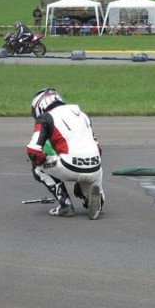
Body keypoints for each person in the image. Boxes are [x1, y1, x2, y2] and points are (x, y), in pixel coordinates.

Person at [25, 88, 104, 219]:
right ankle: (92, 199)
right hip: (95, 168)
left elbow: (33, 150)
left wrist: (41, 159)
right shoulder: (83, 115)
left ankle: (65, 205)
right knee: (90, 178)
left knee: (37, 168)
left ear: (40, 105)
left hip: (69, 166)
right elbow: (98, 147)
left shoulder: (46, 118)